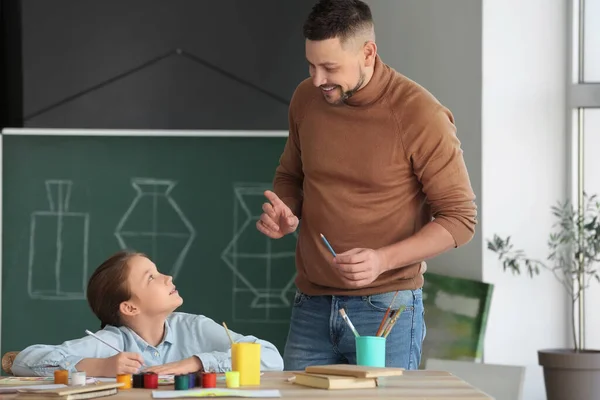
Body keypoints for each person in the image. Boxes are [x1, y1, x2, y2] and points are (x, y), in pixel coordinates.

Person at [256, 0, 477, 371]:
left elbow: (460, 220)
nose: (317, 79)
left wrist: (382, 260)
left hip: (386, 310)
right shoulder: (306, 99)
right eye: (311, 65)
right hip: (310, 306)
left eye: (330, 67)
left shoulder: (420, 114)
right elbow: (291, 175)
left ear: (368, 53)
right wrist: (288, 210)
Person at [11, 251, 284, 377]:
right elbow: (22, 361)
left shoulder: (196, 328)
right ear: (129, 307)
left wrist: (198, 362)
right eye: (151, 277)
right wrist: (99, 366)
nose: (168, 277)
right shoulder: (113, 342)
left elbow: (272, 358)